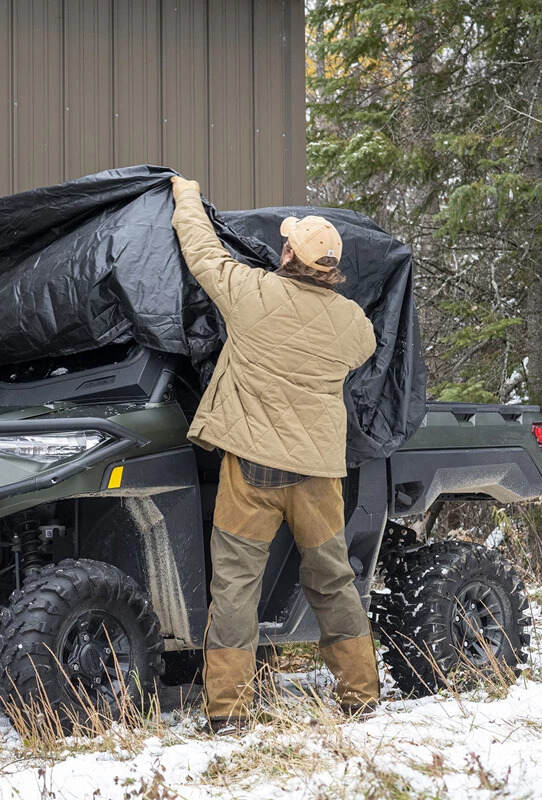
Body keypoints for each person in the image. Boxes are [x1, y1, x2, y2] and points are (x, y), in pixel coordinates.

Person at [168, 176, 380, 733]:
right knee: (333, 579)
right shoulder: (352, 324)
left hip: (252, 468)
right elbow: (364, 349)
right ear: (331, 266)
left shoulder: (250, 293)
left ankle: (228, 712)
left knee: (237, 585)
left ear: (287, 254)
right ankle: (361, 694)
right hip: (318, 476)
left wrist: (185, 195)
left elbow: (201, 249)